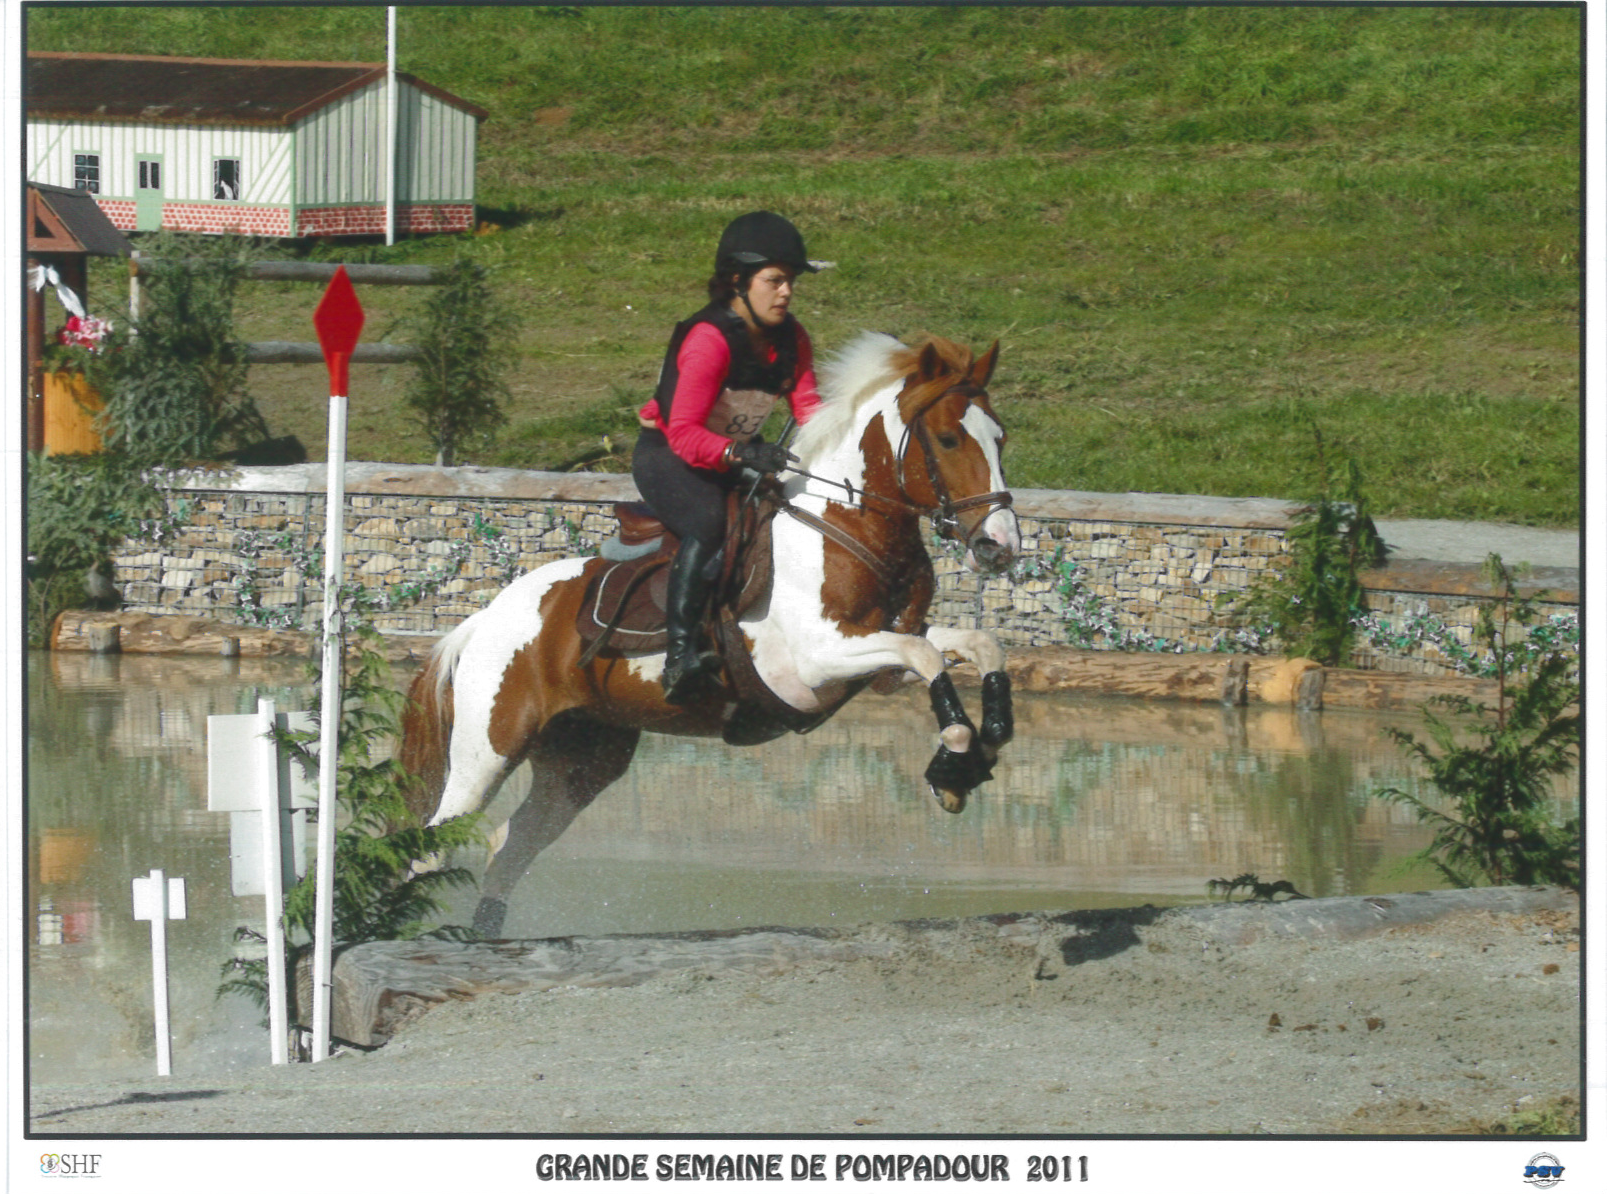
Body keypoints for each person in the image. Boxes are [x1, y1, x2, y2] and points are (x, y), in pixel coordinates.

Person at [632, 211, 824, 704]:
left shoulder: (791, 339)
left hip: (736, 458)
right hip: (670, 458)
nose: (787, 292)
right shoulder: (708, 339)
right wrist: (741, 453)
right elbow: (685, 436)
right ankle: (680, 657)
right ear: (738, 282)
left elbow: (809, 410)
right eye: (775, 281)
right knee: (710, 522)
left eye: (791, 282)